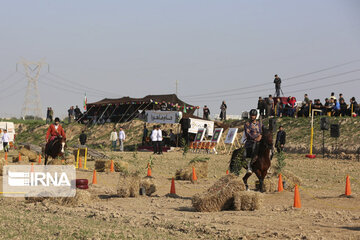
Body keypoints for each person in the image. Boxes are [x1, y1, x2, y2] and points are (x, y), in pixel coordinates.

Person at [243, 109, 262, 173]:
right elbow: (247, 134)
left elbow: (263, 131)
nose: (252, 116)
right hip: (250, 141)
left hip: (260, 141)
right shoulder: (247, 124)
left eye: (253, 115)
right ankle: (249, 165)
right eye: (251, 115)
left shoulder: (259, 124)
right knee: (250, 150)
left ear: (256, 116)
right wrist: (255, 138)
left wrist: (261, 136)